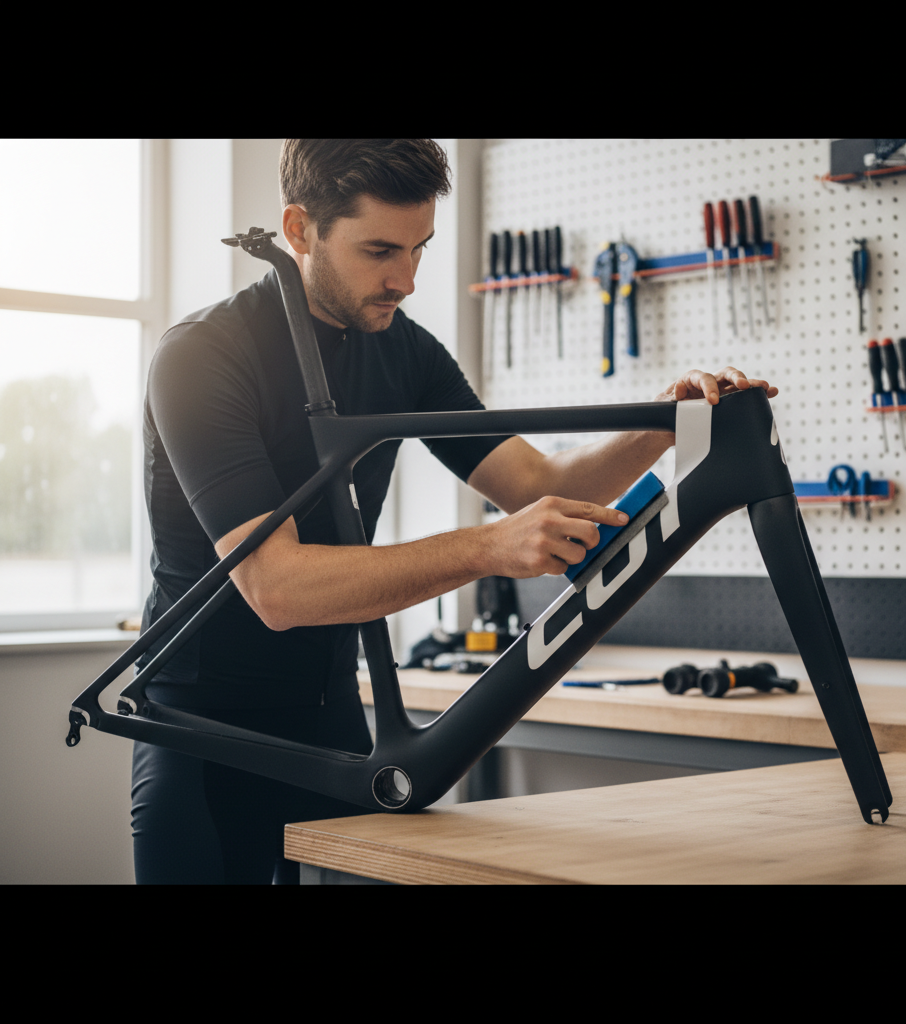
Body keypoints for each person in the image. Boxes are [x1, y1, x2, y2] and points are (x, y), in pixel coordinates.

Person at [131, 138, 778, 884]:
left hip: (333, 714)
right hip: (202, 727)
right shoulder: (202, 357)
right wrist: (486, 549)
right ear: (300, 229)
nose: (405, 279)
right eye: (379, 250)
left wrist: (665, 422)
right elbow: (275, 588)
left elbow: (536, 480)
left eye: (419, 249)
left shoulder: (403, 350)